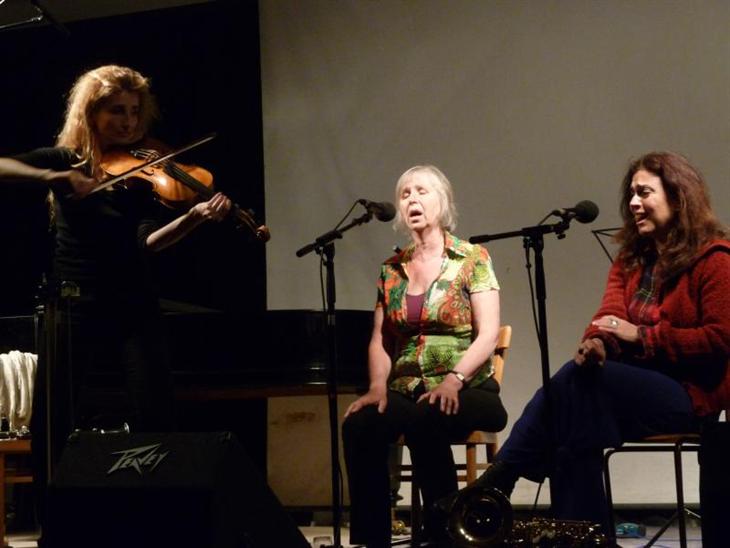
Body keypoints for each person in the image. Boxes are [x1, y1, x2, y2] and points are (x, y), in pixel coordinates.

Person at [442, 151, 730, 539]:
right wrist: (597, 342)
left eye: (644, 192)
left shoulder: (714, 259)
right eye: (631, 194)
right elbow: (609, 315)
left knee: (574, 388)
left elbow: (719, 339)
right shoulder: (631, 259)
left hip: (689, 396)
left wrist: (642, 336)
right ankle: (582, 537)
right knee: (572, 433)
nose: (633, 203)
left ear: (678, 198)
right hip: (626, 396)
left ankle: (498, 481)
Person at [0, 65, 232, 497]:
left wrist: (194, 217)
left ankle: (161, 504)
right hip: (73, 300)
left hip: (132, 299)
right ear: (91, 113)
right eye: (116, 111)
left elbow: (147, 243)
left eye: (134, 111)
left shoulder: (144, 173)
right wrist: (51, 177)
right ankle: (55, 513)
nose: (128, 122)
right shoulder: (66, 160)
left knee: (156, 408)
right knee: (55, 414)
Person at [342, 165, 508, 547]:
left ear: (442, 201)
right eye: (405, 194)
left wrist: (453, 380)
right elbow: (381, 339)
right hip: (408, 388)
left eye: (422, 191)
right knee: (360, 424)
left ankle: (444, 533)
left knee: (425, 419)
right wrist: (377, 387)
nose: (412, 200)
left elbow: (487, 334)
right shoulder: (391, 270)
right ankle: (373, 539)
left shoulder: (471, 258)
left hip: (470, 387)